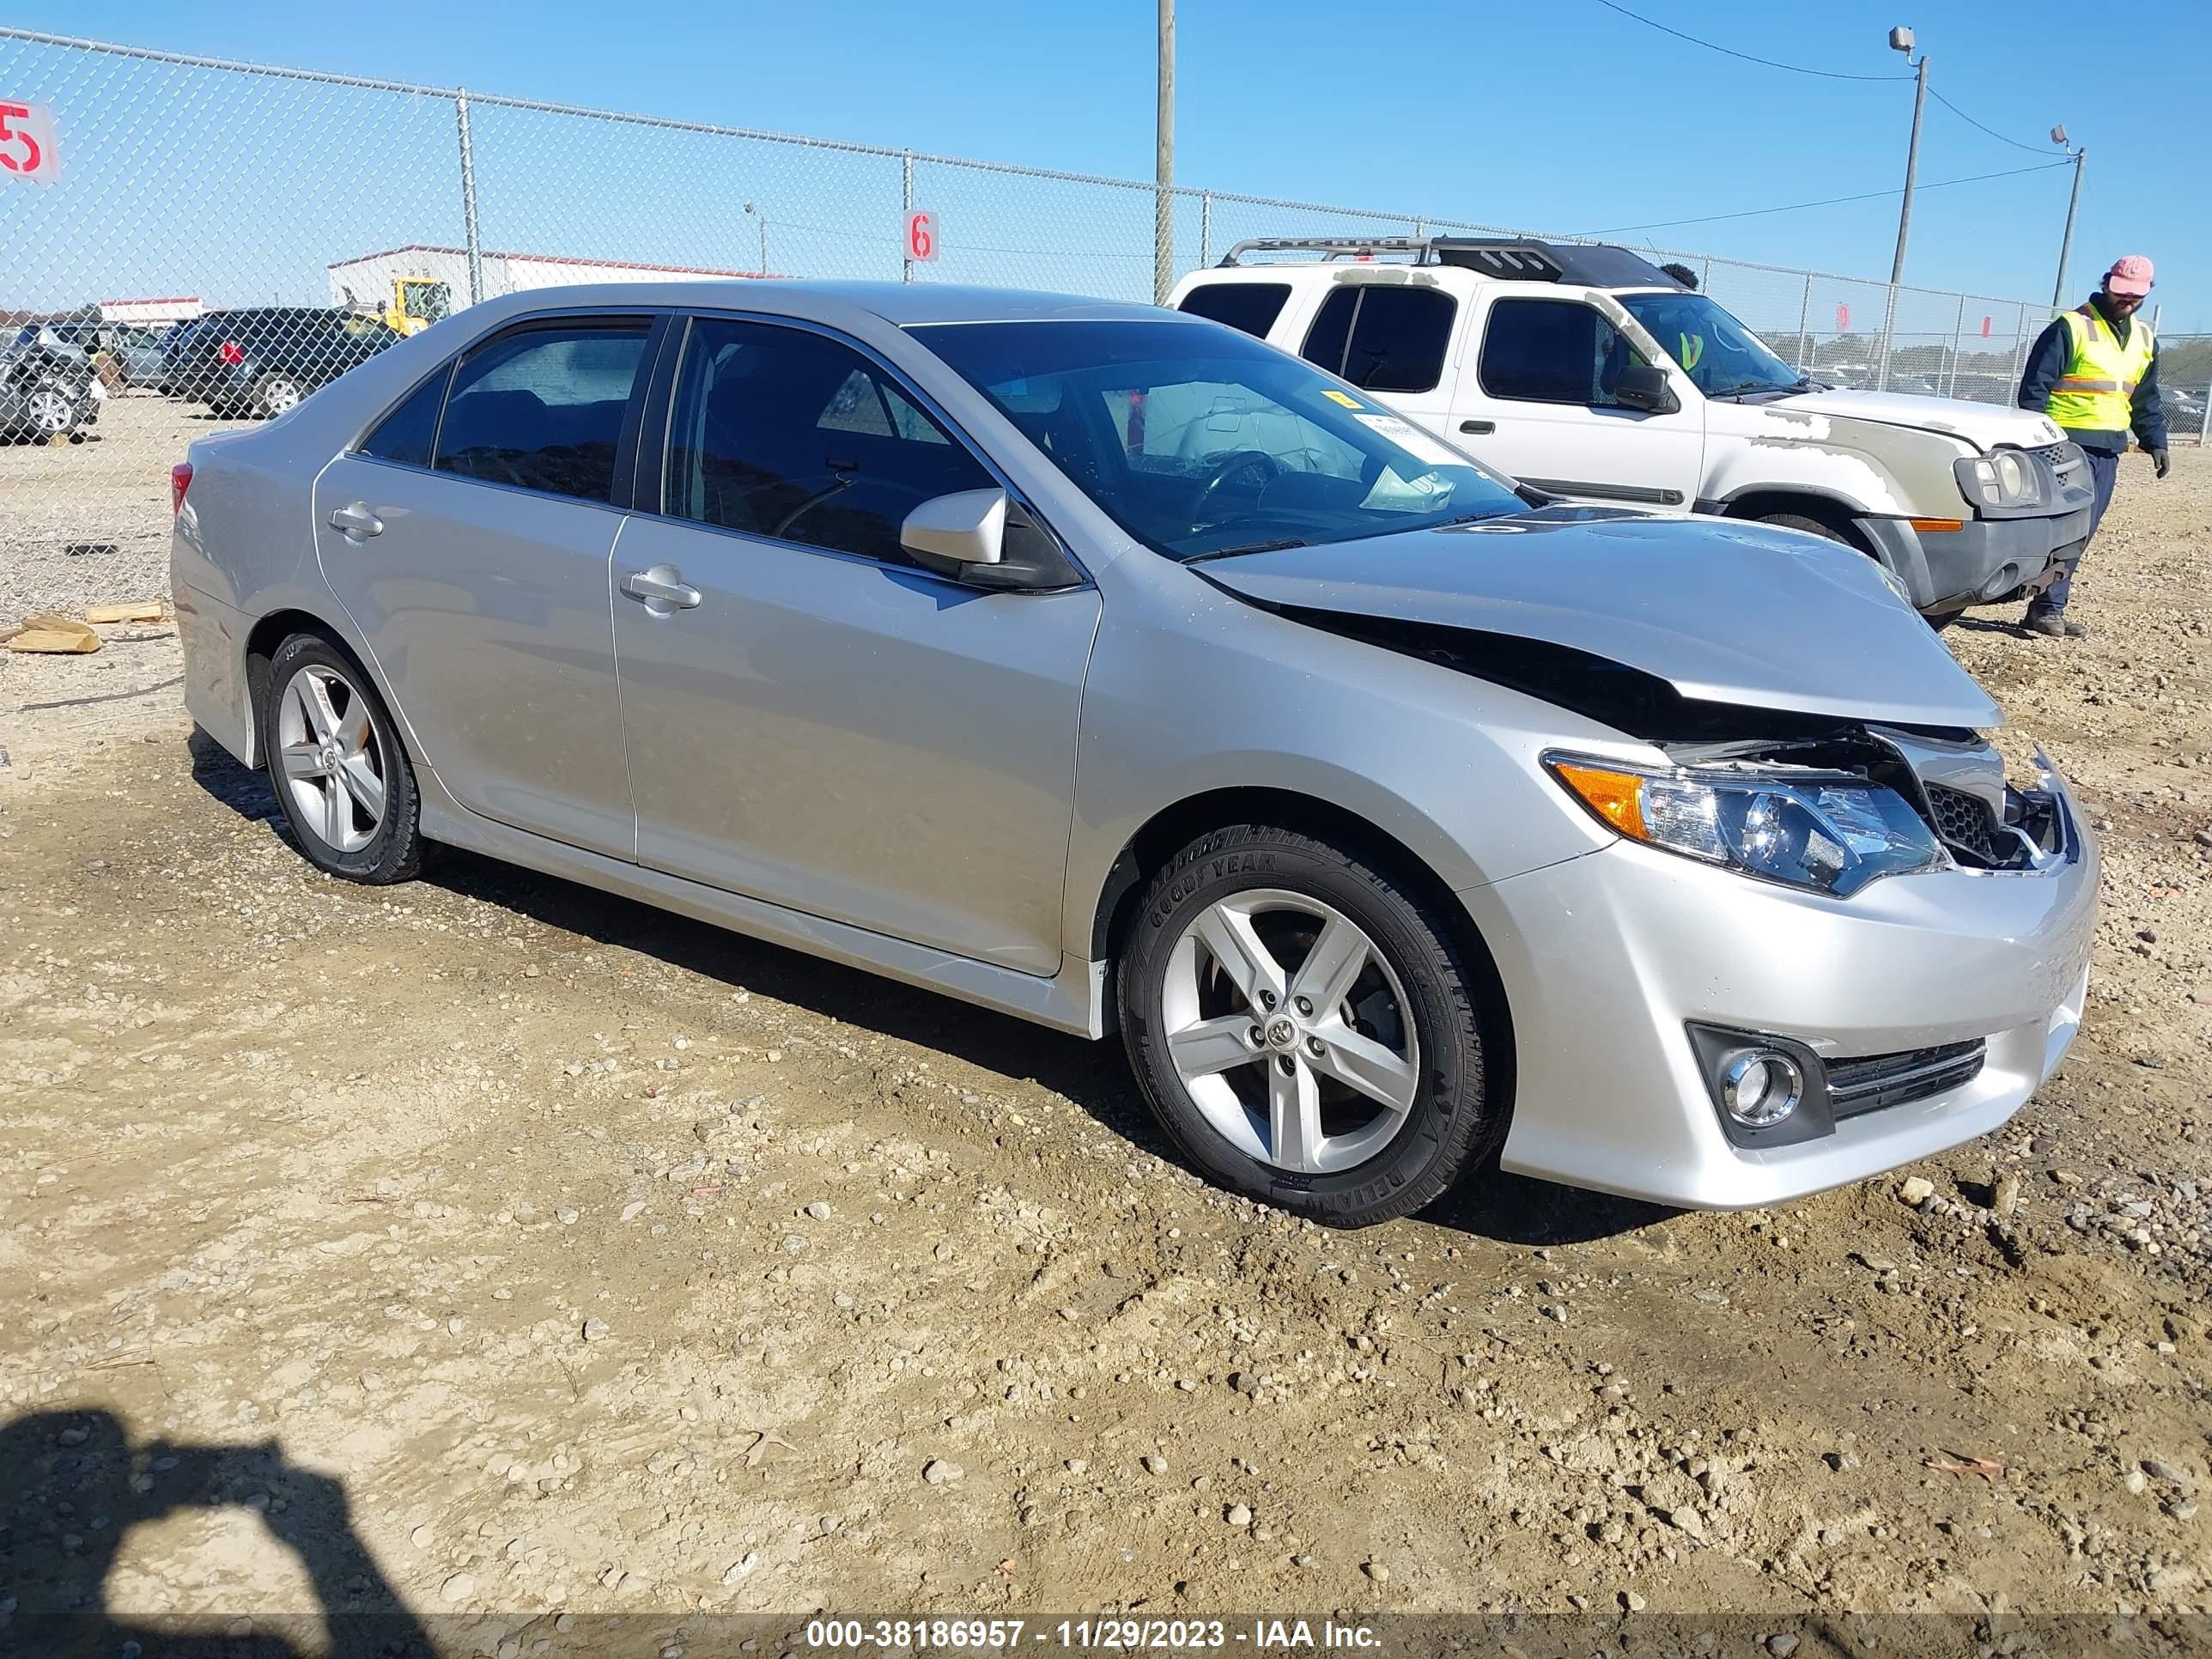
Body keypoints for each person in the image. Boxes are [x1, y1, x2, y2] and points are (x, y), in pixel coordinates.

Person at [2014, 253, 2170, 639]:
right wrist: (2036, 440)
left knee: (2081, 533)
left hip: (2107, 450)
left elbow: (2145, 398)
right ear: (2106, 283)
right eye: (2120, 292)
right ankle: (2029, 600)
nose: (2126, 301)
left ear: (2147, 294)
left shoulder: (2144, 339)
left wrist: (2156, 440)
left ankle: (2048, 608)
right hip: (2062, 447)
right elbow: (2034, 390)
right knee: (2055, 530)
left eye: (2135, 296)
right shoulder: (2071, 327)